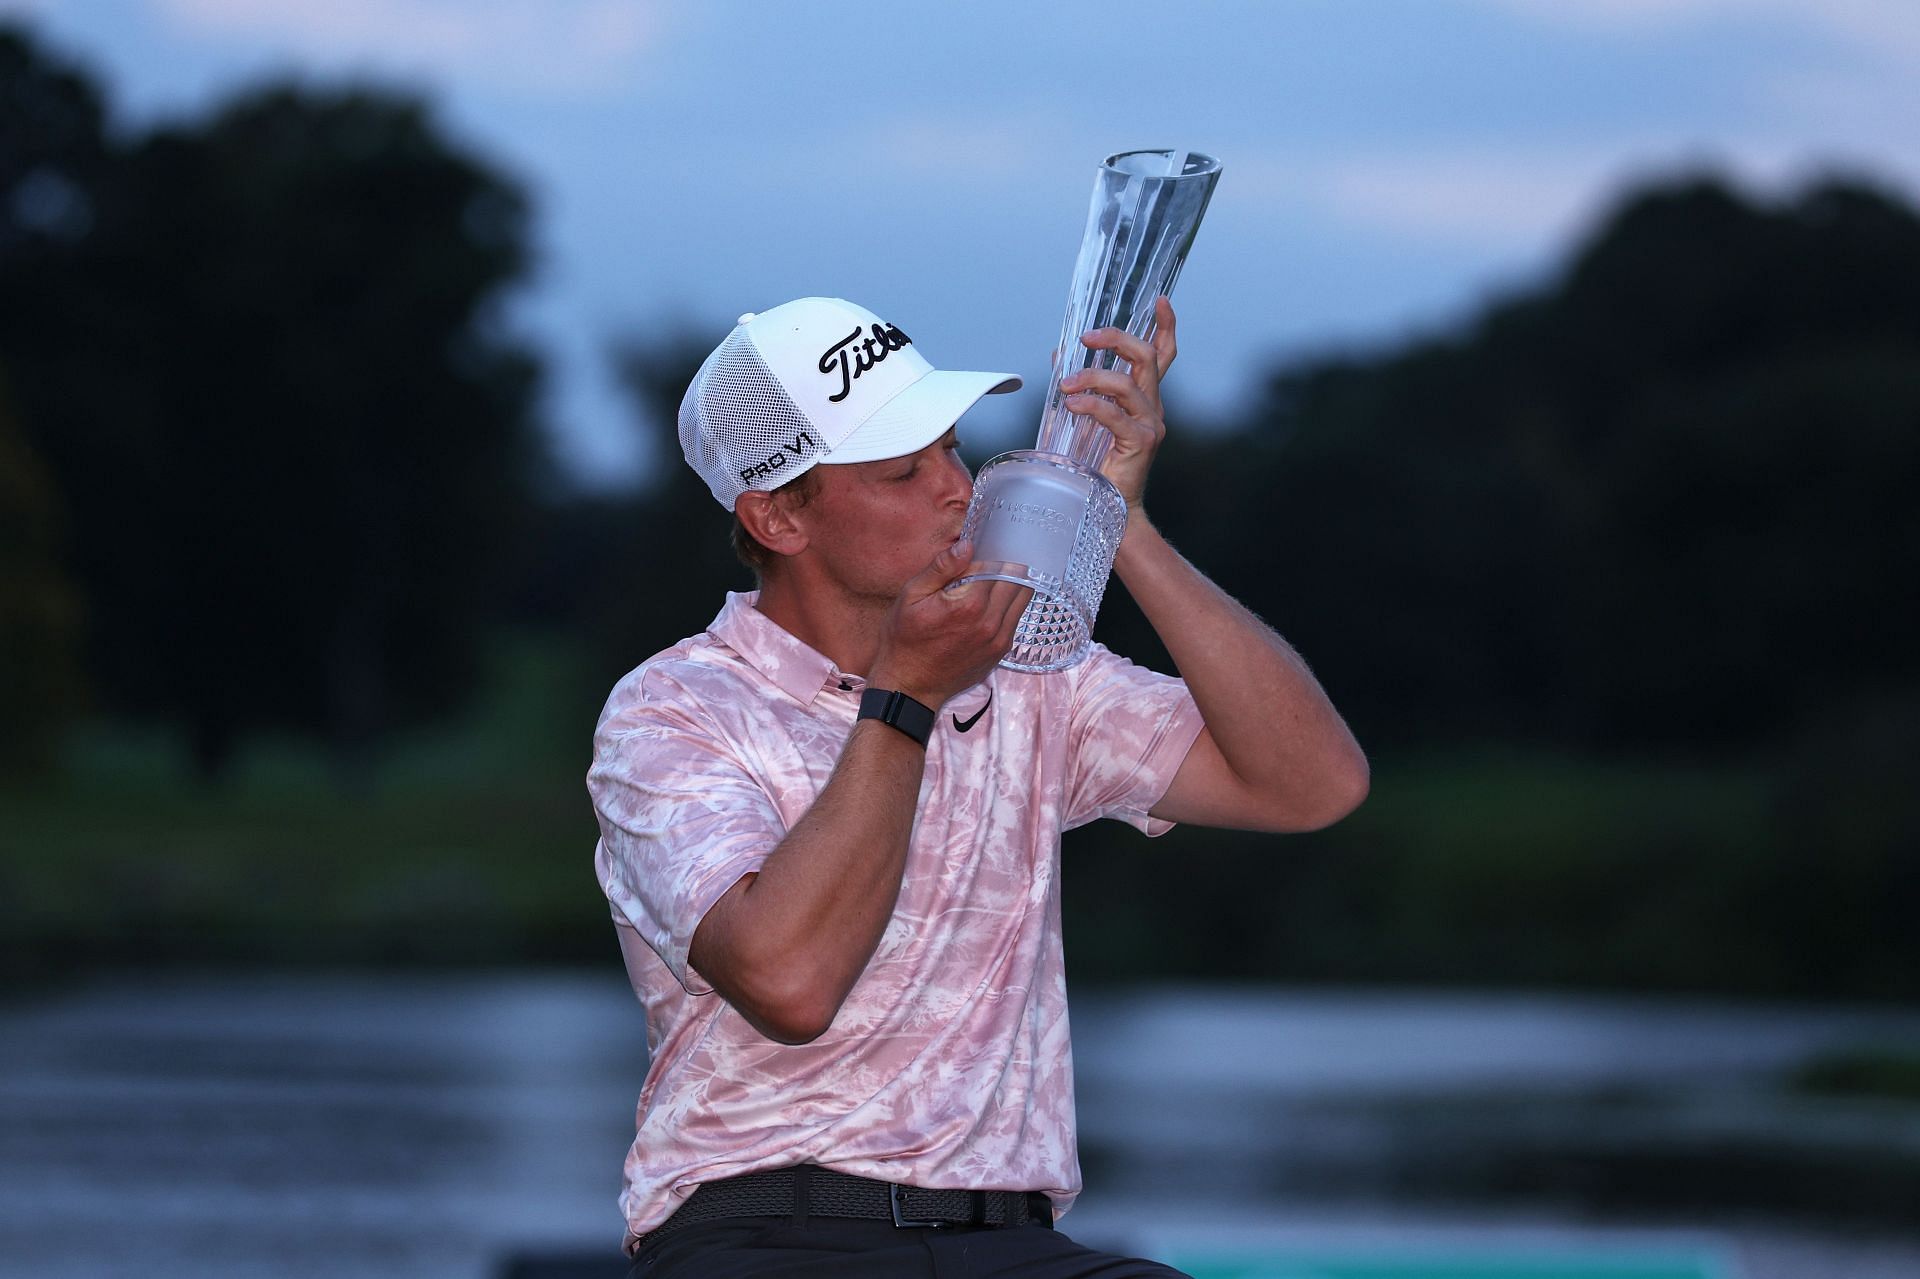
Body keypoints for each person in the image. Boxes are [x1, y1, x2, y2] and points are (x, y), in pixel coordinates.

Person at [588, 295, 1368, 1277]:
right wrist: (906, 697)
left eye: (952, 449)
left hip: (1015, 1244)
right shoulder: (672, 708)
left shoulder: (1034, 676)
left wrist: (1118, 522)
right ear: (778, 515)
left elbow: (1313, 784)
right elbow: (788, 983)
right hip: (763, 1229)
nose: (956, 489)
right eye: (902, 470)